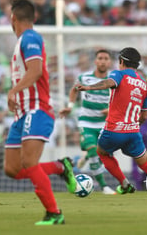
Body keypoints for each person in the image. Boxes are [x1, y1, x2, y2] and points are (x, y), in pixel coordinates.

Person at [4, 0, 77, 225]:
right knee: (12, 169)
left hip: (37, 109)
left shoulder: (31, 37)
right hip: (22, 114)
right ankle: (59, 167)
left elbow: (35, 71)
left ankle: (54, 213)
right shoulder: (22, 41)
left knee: (29, 162)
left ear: (13, 18)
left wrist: (13, 91)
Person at [75, 47, 147, 200]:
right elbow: (144, 116)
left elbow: (109, 83)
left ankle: (124, 183)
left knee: (102, 152)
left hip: (113, 131)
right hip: (133, 133)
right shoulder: (143, 85)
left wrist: (89, 87)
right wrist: (131, 124)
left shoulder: (119, 74)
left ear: (121, 61)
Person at [59, 49, 116, 195]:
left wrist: (111, 110)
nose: (103, 61)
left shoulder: (113, 80)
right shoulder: (84, 77)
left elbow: (120, 99)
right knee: (92, 150)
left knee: (105, 154)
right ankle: (104, 187)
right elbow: (74, 90)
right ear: (95, 61)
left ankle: (86, 156)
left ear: (109, 62)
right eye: (100, 58)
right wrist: (70, 106)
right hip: (87, 122)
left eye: (105, 58)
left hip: (106, 123)